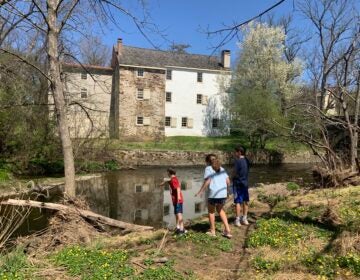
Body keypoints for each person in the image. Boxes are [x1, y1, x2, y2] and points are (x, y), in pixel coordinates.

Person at [196, 157, 232, 238]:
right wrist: (227, 191)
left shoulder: (208, 168)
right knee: (220, 210)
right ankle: (228, 230)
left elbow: (208, 181)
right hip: (222, 194)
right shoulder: (222, 169)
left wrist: (200, 191)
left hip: (213, 194)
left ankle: (213, 231)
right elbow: (228, 181)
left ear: (209, 162)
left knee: (211, 212)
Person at [160, 167, 186, 234]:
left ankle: (182, 229)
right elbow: (170, 181)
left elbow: (177, 188)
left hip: (178, 200)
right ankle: (177, 227)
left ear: (169, 172)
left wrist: (179, 198)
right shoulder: (172, 179)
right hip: (175, 200)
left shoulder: (174, 180)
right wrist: (164, 182)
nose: (167, 173)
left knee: (179, 214)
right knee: (176, 214)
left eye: (167, 172)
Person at [232, 146, 250, 226]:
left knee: (238, 202)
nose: (235, 153)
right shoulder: (247, 160)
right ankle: (245, 218)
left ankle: (237, 220)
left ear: (239, 152)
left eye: (235, 152)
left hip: (238, 183)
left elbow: (234, 172)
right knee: (245, 201)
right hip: (245, 183)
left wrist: (230, 178)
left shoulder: (238, 161)